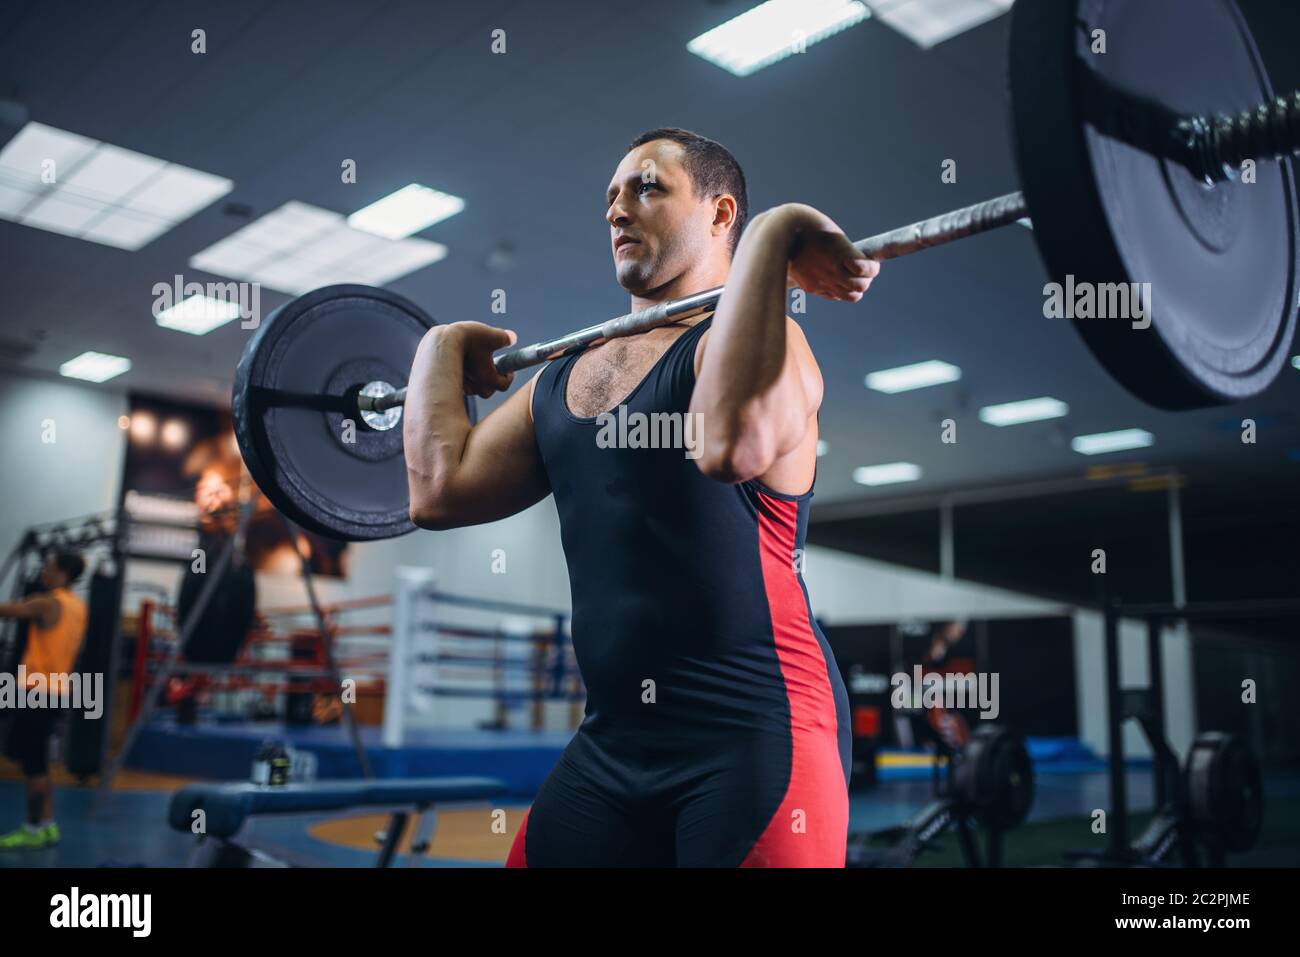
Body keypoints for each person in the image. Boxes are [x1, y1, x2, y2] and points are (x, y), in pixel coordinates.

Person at [404, 127, 879, 866]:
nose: (618, 209)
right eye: (612, 197)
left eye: (647, 187)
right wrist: (435, 349)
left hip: (757, 734)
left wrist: (778, 233)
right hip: (614, 741)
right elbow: (437, 491)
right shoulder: (560, 380)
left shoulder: (778, 343)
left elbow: (729, 445)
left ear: (723, 216)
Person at [0, 549, 88, 849]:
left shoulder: (47, 603)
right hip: (57, 691)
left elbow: (9, 611)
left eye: (49, 567)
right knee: (38, 761)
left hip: (36, 692)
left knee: (33, 764)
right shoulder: (78, 606)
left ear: (63, 573)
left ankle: (32, 828)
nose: (43, 572)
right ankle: (48, 824)